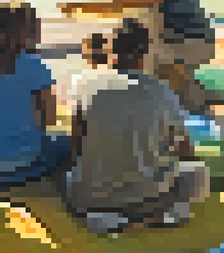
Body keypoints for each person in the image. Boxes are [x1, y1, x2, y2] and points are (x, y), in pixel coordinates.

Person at [62, 18, 209, 231]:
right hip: (149, 198)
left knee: (64, 175)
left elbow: (76, 147)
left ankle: (109, 219)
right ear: (144, 52)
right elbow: (185, 150)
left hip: (91, 200)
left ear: (109, 49)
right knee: (197, 172)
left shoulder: (85, 86)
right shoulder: (163, 92)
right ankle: (158, 216)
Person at [61, 0, 218, 115]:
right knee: (152, 50)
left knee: (151, 52)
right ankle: (192, 95)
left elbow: (121, 5)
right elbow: (124, 5)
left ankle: (190, 98)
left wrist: (81, 8)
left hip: (195, 45)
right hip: (185, 43)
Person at [0, 1, 73, 192]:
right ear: (31, 32)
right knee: (70, 141)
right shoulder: (33, 64)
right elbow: (50, 119)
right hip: (3, 167)